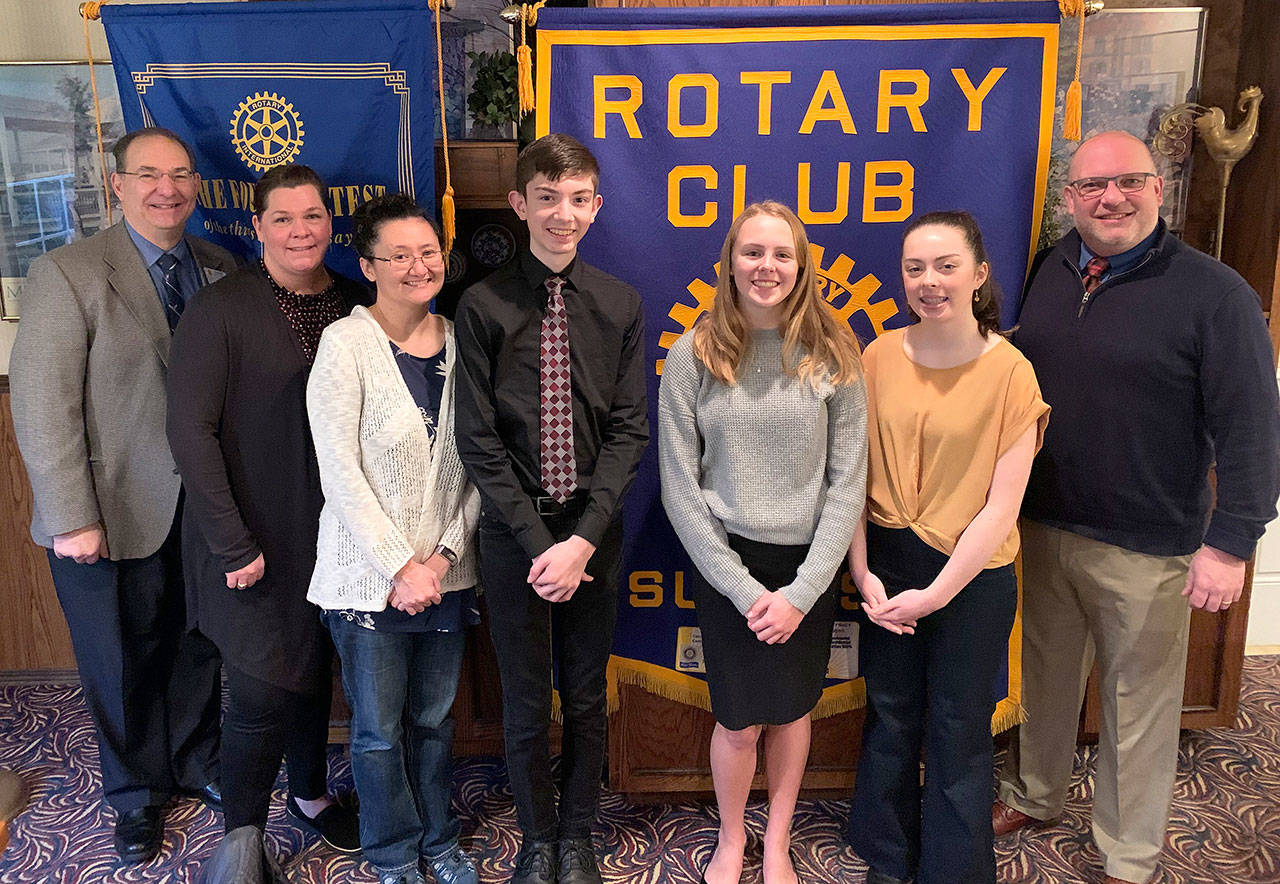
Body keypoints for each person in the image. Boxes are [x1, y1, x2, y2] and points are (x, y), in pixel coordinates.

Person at [994, 131, 1280, 884]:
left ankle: (1126, 854)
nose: (1110, 198)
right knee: (1046, 676)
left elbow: (1251, 424)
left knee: (1138, 708)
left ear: (1159, 189)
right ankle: (1036, 792)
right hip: (1045, 522)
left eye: (1127, 182)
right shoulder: (1050, 268)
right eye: (1092, 186)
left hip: (1149, 543)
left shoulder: (1216, 294)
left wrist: (1231, 543)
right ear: (1070, 200)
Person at [9, 127, 232, 863]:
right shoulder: (66, 273)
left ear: (197, 185)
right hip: (108, 510)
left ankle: (196, 760)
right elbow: (42, 405)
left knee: (197, 642)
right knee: (119, 657)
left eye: (179, 175)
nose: (165, 188)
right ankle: (135, 794)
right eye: (148, 174)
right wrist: (71, 516)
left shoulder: (219, 267)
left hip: (202, 509)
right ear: (118, 184)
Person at [454, 133, 648, 884]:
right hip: (515, 536)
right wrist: (540, 543)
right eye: (546, 198)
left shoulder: (621, 303)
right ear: (519, 204)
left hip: (594, 532)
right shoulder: (481, 305)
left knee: (589, 693)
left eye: (577, 200)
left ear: (595, 207)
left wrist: (582, 540)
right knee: (527, 697)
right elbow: (478, 438)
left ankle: (578, 835)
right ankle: (538, 837)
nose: (561, 214)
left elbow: (630, 429)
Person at [658, 201, 867, 884]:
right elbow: (680, 489)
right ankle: (730, 838)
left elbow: (847, 482)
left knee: (792, 712)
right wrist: (748, 591)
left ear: (802, 266)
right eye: (753, 252)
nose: (766, 267)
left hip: (807, 567)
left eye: (782, 254)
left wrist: (802, 592)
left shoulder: (834, 351)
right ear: (729, 262)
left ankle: (775, 841)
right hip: (729, 570)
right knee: (740, 720)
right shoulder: (694, 354)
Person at [166, 164, 369, 861]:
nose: (300, 230)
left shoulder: (357, 302)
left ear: (330, 222)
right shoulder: (220, 311)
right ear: (257, 228)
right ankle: (241, 843)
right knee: (260, 691)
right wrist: (232, 544)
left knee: (314, 672)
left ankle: (310, 793)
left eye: (312, 216)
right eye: (282, 218)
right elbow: (189, 431)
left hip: (338, 537)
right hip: (250, 539)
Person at [847, 211, 1049, 884]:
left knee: (959, 728)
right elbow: (851, 475)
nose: (929, 281)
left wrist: (936, 594)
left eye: (946, 265)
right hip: (886, 562)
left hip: (972, 576)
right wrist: (864, 576)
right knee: (892, 717)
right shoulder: (875, 357)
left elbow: (1001, 508)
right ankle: (889, 858)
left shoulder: (1013, 373)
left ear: (980, 275)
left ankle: (953, 870)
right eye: (914, 268)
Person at [305, 194, 481, 884]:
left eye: (429, 252)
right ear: (368, 265)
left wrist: (439, 561)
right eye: (400, 254)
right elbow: (338, 472)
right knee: (378, 734)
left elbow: (480, 468)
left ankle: (439, 841)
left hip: (446, 575)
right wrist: (399, 565)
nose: (418, 265)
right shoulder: (345, 345)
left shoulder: (466, 343)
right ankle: (391, 852)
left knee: (436, 725)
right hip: (366, 579)